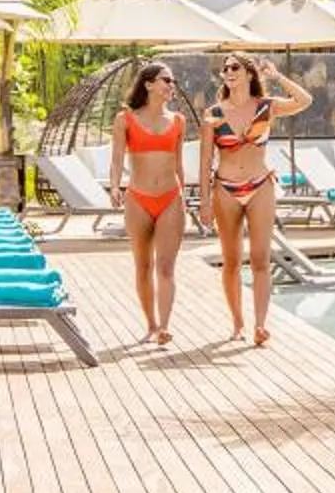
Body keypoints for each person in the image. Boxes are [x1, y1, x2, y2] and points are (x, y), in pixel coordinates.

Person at [204, 52, 311, 346]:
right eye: (225, 68)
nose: (228, 71)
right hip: (225, 189)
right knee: (231, 262)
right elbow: (204, 163)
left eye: (234, 67)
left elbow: (304, 100)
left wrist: (276, 77)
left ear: (250, 74)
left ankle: (261, 325)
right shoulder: (213, 113)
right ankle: (238, 322)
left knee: (262, 259)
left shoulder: (267, 107)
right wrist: (203, 202)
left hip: (260, 184)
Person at [106, 60, 190, 346]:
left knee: (166, 267)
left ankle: (164, 327)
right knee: (143, 266)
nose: (171, 85)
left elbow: (179, 164)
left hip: (171, 198)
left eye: (172, 81)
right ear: (149, 84)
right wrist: (115, 186)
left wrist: (187, 198)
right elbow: (117, 158)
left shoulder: (178, 121)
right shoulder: (125, 119)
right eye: (166, 80)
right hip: (138, 198)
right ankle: (151, 325)